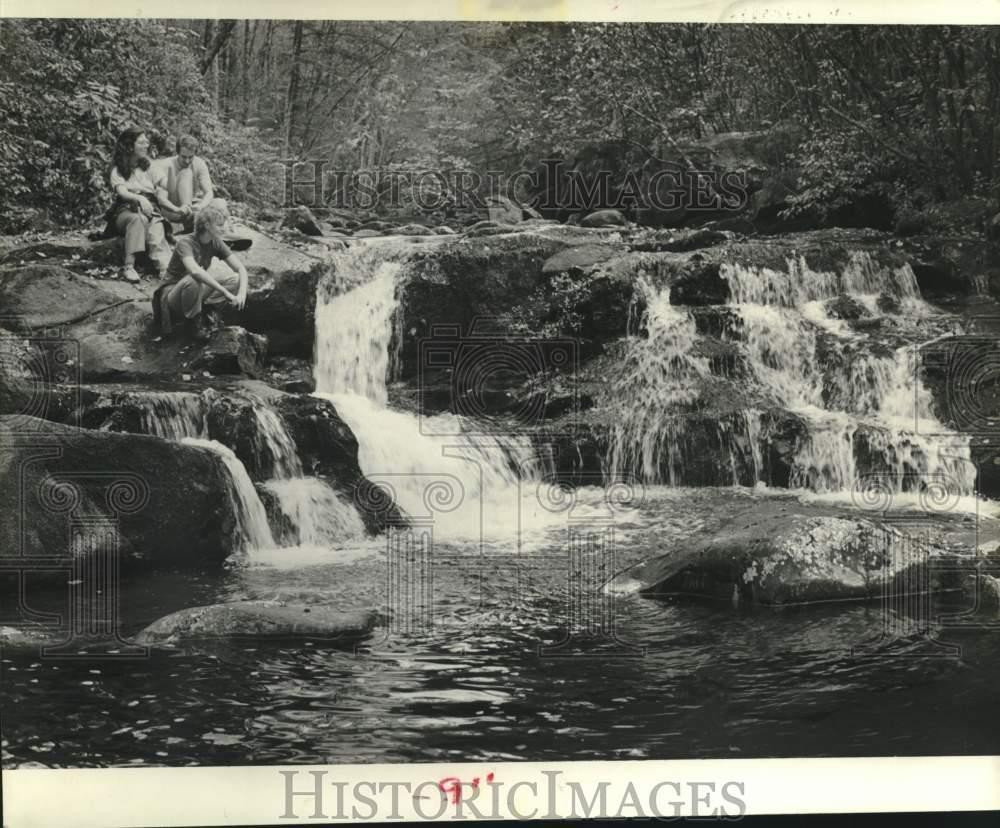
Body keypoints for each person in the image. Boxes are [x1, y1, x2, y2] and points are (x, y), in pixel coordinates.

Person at [152, 204, 248, 340]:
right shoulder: (185, 243)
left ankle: (206, 310)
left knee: (234, 279)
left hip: (193, 291)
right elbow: (195, 271)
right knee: (195, 278)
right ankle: (193, 323)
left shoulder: (215, 242)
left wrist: (242, 293)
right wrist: (225, 292)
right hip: (173, 297)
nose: (224, 228)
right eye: (220, 225)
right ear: (207, 225)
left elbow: (240, 268)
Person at [107, 127, 173, 283]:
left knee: (156, 225)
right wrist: (139, 199)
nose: (146, 145)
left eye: (146, 142)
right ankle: (129, 267)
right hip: (125, 211)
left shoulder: (148, 167)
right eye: (142, 142)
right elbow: (122, 192)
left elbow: (166, 183)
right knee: (138, 220)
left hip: (150, 210)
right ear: (130, 146)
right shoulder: (118, 169)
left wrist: (173, 178)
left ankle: (166, 269)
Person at [154, 134, 215, 231]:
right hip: (171, 209)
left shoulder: (199, 164)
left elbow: (209, 192)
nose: (187, 161)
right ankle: (190, 219)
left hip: (190, 207)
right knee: (186, 173)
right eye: (184, 157)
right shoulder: (166, 165)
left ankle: (223, 237)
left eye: (191, 157)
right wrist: (178, 209)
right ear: (177, 153)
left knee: (220, 203)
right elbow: (161, 199)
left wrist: (200, 206)